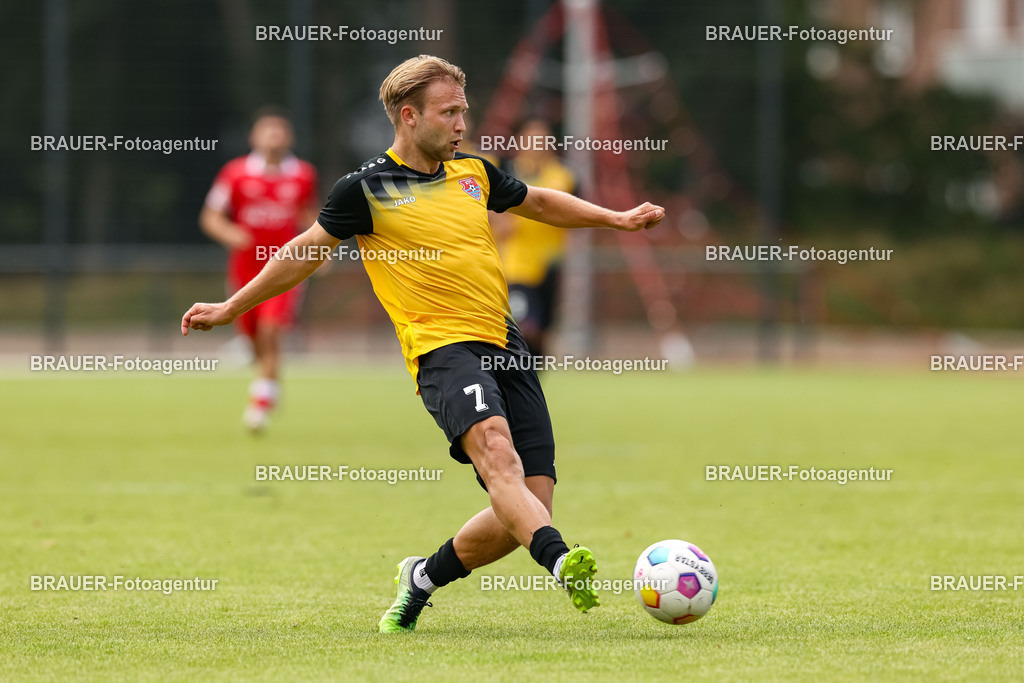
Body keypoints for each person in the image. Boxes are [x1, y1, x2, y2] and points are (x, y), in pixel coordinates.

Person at [181, 55, 664, 632]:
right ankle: (560, 560)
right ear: (409, 117)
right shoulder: (365, 189)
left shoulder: (475, 174)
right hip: (441, 351)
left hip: (505, 344)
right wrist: (232, 306)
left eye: (465, 110)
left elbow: (537, 201)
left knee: (529, 504)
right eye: (450, 112)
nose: (463, 123)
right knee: (498, 456)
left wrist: (617, 219)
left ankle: (423, 578)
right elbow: (301, 252)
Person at [199, 107, 319, 431]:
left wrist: (324, 250)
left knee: (271, 331)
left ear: (289, 138)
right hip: (243, 268)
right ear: (254, 137)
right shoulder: (235, 173)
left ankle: (260, 402)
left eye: (280, 131)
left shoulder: (302, 174)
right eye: (267, 131)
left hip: (285, 267)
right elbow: (210, 216)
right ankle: (270, 386)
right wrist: (230, 233)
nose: (274, 138)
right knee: (254, 341)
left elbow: (311, 217)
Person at [498, 119, 578, 358]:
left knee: (542, 331)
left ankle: (532, 386)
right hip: (517, 267)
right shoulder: (504, 172)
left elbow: (564, 210)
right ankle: (512, 379)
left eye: (542, 139)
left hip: (551, 265)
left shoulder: (562, 175)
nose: (537, 145)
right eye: (531, 139)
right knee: (524, 327)